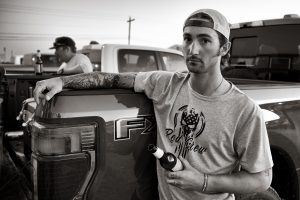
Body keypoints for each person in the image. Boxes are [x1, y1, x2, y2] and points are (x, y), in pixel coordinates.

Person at [34, 9, 273, 200]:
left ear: (224, 48)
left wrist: (203, 181)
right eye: (187, 38)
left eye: (204, 40)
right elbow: (113, 78)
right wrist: (62, 81)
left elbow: (261, 179)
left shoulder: (243, 109)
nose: (192, 49)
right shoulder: (165, 84)